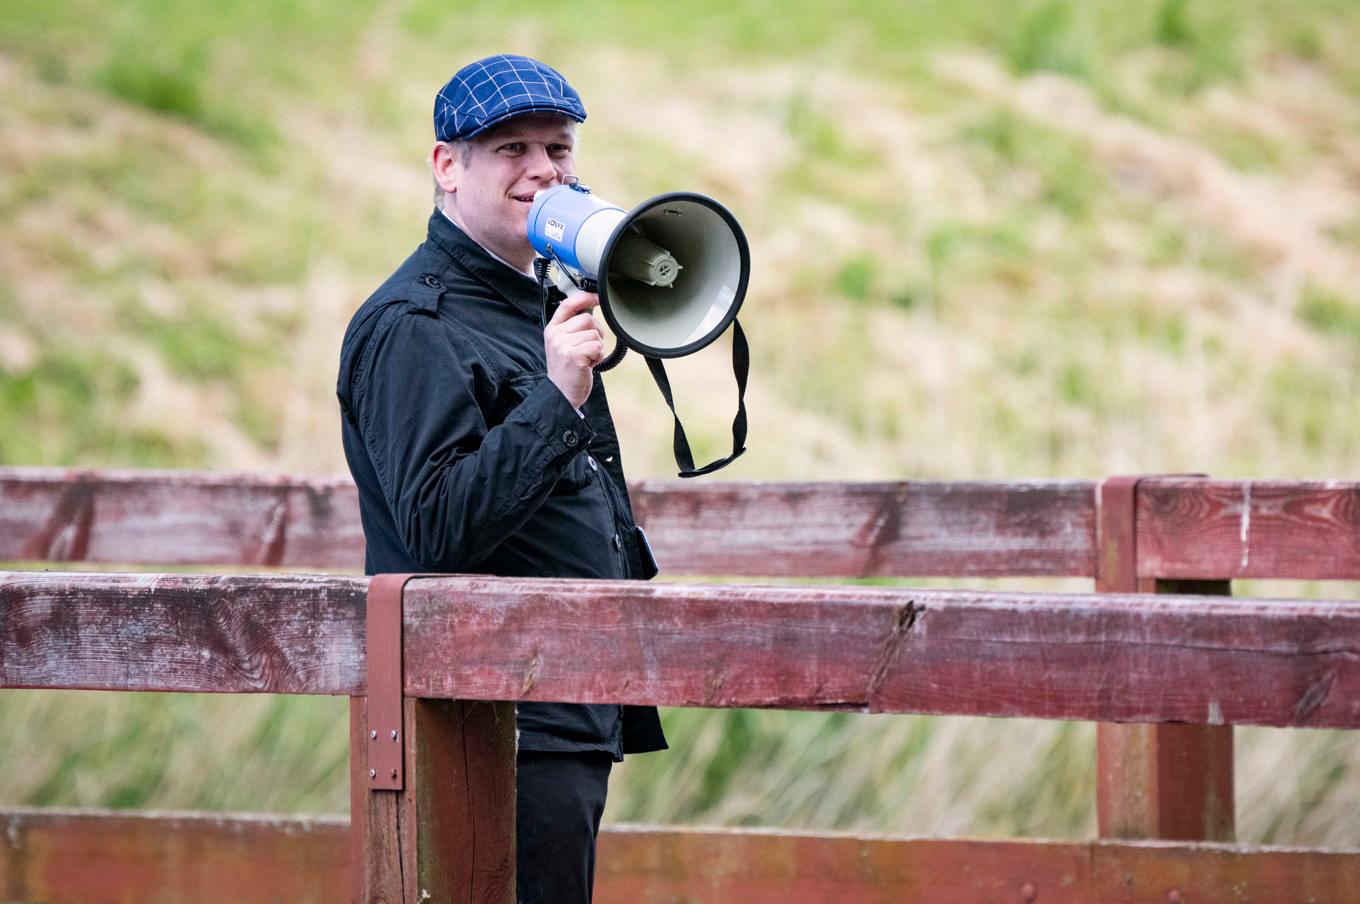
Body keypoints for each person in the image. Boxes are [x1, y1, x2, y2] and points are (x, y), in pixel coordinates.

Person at [335, 53, 666, 904]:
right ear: (447, 166)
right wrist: (557, 396)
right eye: (511, 148)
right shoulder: (413, 325)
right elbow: (437, 527)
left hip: (566, 701)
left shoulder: (537, 299)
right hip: (488, 719)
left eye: (557, 148)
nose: (543, 170)